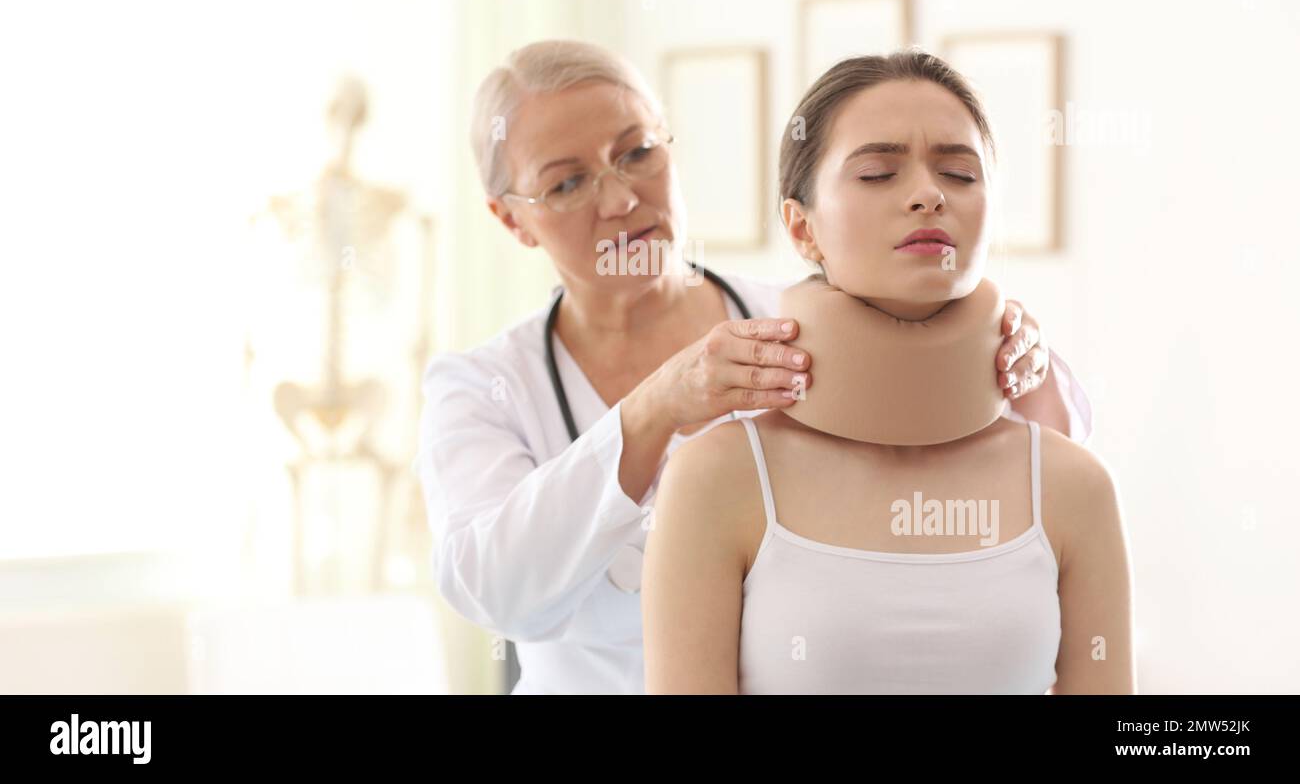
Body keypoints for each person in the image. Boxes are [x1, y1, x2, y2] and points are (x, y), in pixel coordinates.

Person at [414, 39, 1095, 694]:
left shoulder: (810, 322)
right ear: (512, 221)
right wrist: (657, 409)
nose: (622, 199)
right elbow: (495, 590)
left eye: (639, 152)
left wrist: (1017, 348)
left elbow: (1038, 460)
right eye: (567, 183)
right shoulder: (483, 387)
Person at [641, 49, 1133, 694]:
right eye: (877, 173)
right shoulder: (714, 478)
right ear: (802, 228)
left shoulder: (1074, 485)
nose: (928, 194)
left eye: (959, 173)